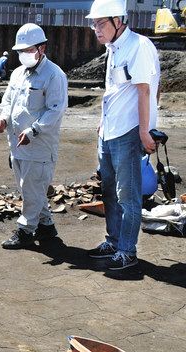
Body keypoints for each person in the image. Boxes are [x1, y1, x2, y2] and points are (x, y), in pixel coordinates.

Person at [85, 0, 160, 270]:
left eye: (101, 23)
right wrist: (102, 124)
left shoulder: (139, 47)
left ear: (118, 20)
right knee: (109, 193)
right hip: (109, 132)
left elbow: (145, 90)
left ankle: (127, 251)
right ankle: (114, 241)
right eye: (93, 24)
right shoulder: (113, 49)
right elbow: (113, 92)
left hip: (129, 133)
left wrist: (144, 131)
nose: (96, 29)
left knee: (127, 196)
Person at [0, 24, 68, 249]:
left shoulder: (54, 75)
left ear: (42, 48)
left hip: (39, 146)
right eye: (20, 51)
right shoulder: (17, 74)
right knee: (30, 189)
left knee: (32, 189)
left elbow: (56, 109)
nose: (24, 55)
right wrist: (4, 118)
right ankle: (46, 227)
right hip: (17, 144)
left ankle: (25, 231)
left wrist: (34, 130)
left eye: (28, 50)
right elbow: (8, 102)